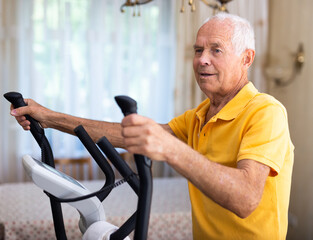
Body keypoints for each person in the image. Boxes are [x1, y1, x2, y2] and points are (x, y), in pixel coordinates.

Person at [9, 12, 294, 240]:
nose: (202, 60)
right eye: (198, 49)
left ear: (246, 58)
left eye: (216, 50)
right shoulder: (199, 115)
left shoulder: (265, 112)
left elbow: (245, 199)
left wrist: (171, 149)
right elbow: (126, 135)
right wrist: (49, 117)